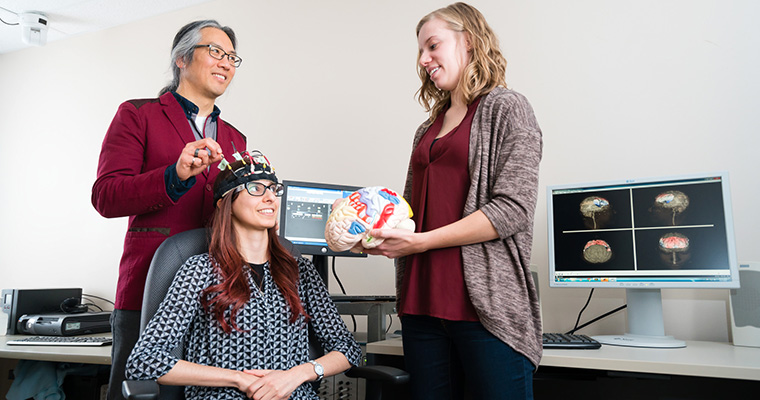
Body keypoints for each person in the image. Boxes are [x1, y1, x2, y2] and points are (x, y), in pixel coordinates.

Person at [363, 3, 543, 399]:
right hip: (421, 306)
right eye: (420, 52)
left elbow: (512, 209)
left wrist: (422, 241)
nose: (424, 59)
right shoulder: (427, 127)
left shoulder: (507, 109)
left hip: (484, 309)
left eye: (432, 46)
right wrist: (382, 231)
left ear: (470, 42)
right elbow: (413, 212)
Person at [91, 20, 247, 400]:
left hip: (214, 297)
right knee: (138, 392)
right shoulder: (137, 115)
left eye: (232, 57)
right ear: (181, 58)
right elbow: (106, 196)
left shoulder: (235, 138)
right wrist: (174, 175)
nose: (225, 63)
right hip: (148, 290)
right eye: (215, 52)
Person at [125, 152, 362, 400]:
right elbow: (145, 359)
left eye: (273, 189)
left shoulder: (300, 271)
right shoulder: (200, 269)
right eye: (256, 188)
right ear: (225, 202)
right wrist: (238, 378)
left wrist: (297, 375)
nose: (270, 197)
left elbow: (347, 348)